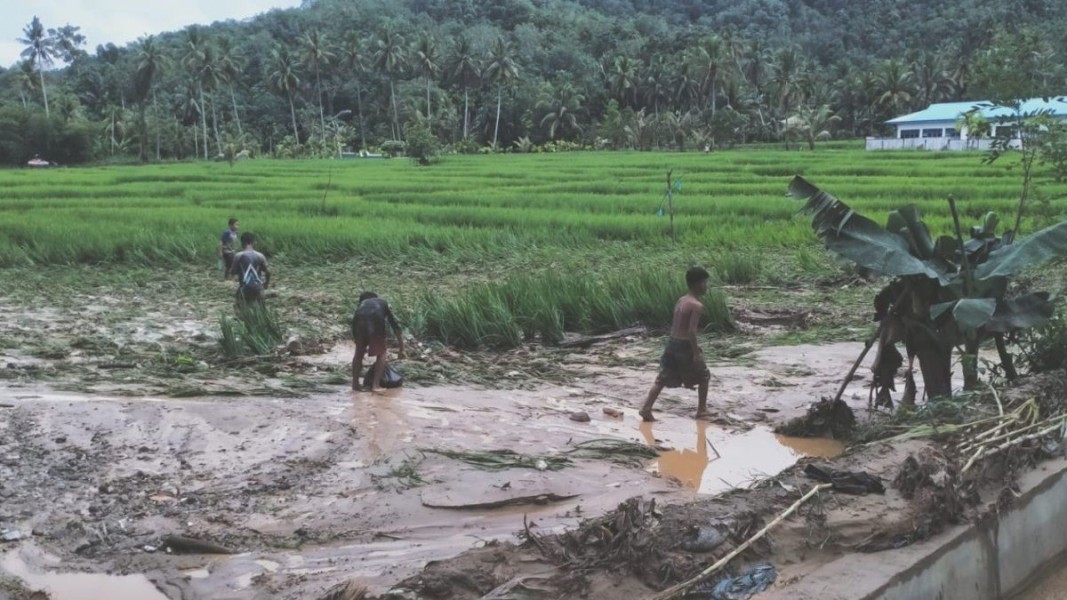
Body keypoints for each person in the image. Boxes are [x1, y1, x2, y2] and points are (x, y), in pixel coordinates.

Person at [640, 266, 712, 422]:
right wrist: (696, 353)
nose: (706, 286)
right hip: (684, 346)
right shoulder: (696, 305)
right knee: (704, 376)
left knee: (662, 379)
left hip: (672, 343)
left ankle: (646, 408)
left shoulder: (681, 300)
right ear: (698, 284)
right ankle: (701, 410)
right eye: (705, 283)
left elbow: (677, 327)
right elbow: (691, 332)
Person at [351, 292, 405, 392]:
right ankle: (376, 385)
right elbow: (395, 326)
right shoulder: (382, 302)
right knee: (381, 353)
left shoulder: (361, 305)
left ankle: (355, 384)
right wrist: (401, 349)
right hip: (375, 323)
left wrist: (359, 342)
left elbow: (354, 323)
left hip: (357, 322)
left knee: (358, 353)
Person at [232, 232, 270, 306]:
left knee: (239, 308)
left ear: (242, 243)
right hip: (258, 288)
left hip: (244, 288)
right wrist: (266, 283)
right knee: (262, 311)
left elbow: (233, 272)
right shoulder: (260, 256)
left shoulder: (238, 256)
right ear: (253, 242)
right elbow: (268, 272)